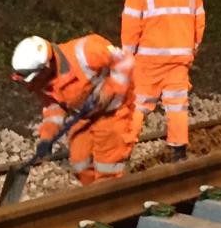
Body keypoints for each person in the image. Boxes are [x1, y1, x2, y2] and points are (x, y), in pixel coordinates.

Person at [122, 0, 206, 162]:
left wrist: (128, 58)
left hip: (148, 60)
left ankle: (123, 152)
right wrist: (192, 50)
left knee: (138, 104)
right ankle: (178, 154)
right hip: (180, 59)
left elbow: (130, 27)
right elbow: (199, 22)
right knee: (177, 105)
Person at [9, 34, 137, 185]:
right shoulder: (42, 82)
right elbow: (53, 109)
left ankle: (112, 200)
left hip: (112, 114)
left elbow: (125, 61)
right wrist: (47, 138)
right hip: (83, 116)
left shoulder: (87, 50)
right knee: (80, 164)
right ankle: (93, 198)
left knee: (108, 170)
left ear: (45, 68)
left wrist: (109, 91)